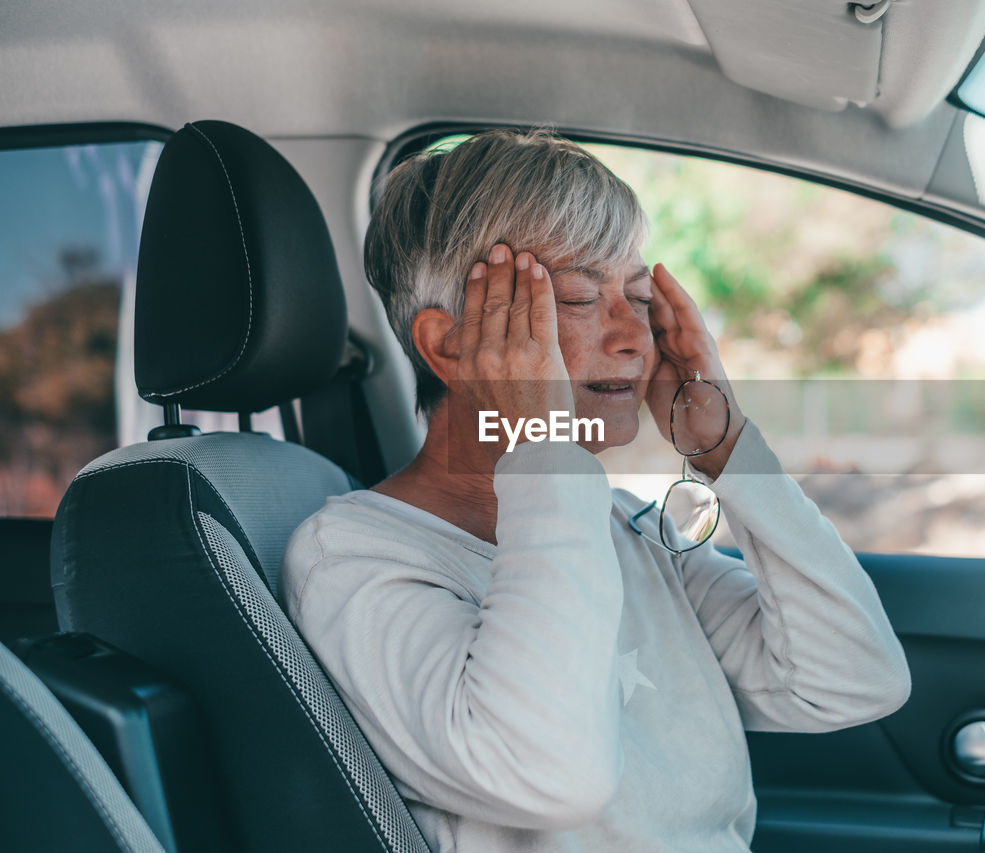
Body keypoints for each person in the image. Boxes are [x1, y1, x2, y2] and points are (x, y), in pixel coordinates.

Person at [281, 129, 910, 852]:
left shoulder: (614, 526)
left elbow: (856, 678)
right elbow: (553, 773)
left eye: (640, 297)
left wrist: (729, 449)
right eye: (579, 297)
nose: (634, 337)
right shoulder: (356, 562)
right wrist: (543, 448)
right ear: (450, 346)